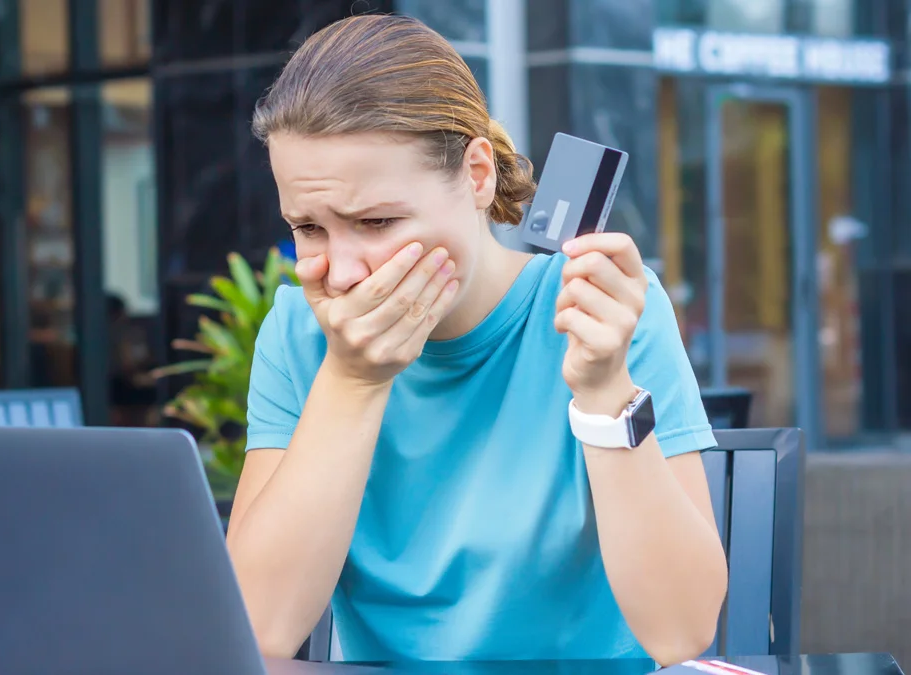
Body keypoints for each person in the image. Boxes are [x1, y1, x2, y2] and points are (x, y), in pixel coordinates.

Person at [225, 14, 727, 666]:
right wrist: (353, 382)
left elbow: (683, 630)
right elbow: (255, 629)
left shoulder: (601, 312)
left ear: (478, 175)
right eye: (309, 228)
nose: (343, 271)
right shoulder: (300, 333)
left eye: (375, 221)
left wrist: (604, 392)